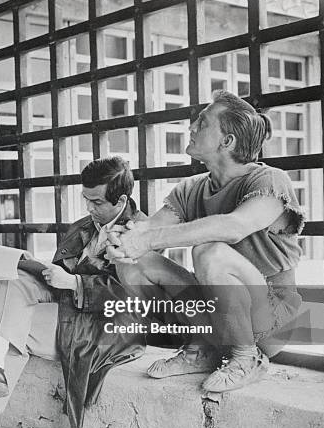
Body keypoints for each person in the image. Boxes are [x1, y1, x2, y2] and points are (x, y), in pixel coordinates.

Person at [0, 156, 156, 428]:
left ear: (122, 200)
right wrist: (41, 270)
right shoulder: (86, 226)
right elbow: (59, 281)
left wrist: (74, 282)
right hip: (74, 312)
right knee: (13, 280)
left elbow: (132, 300)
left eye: (97, 202)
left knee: (15, 329)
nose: (89, 209)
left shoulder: (144, 234)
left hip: (110, 329)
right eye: (85, 200)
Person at [106, 90, 304, 393]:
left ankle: (245, 357)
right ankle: (200, 348)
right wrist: (124, 237)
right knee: (136, 263)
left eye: (202, 122)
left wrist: (146, 238)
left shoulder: (270, 180)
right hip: (219, 315)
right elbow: (150, 230)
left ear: (227, 142)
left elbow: (235, 226)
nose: (191, 127)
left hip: (272, 320)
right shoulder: (192, 189)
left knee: (211, 251)